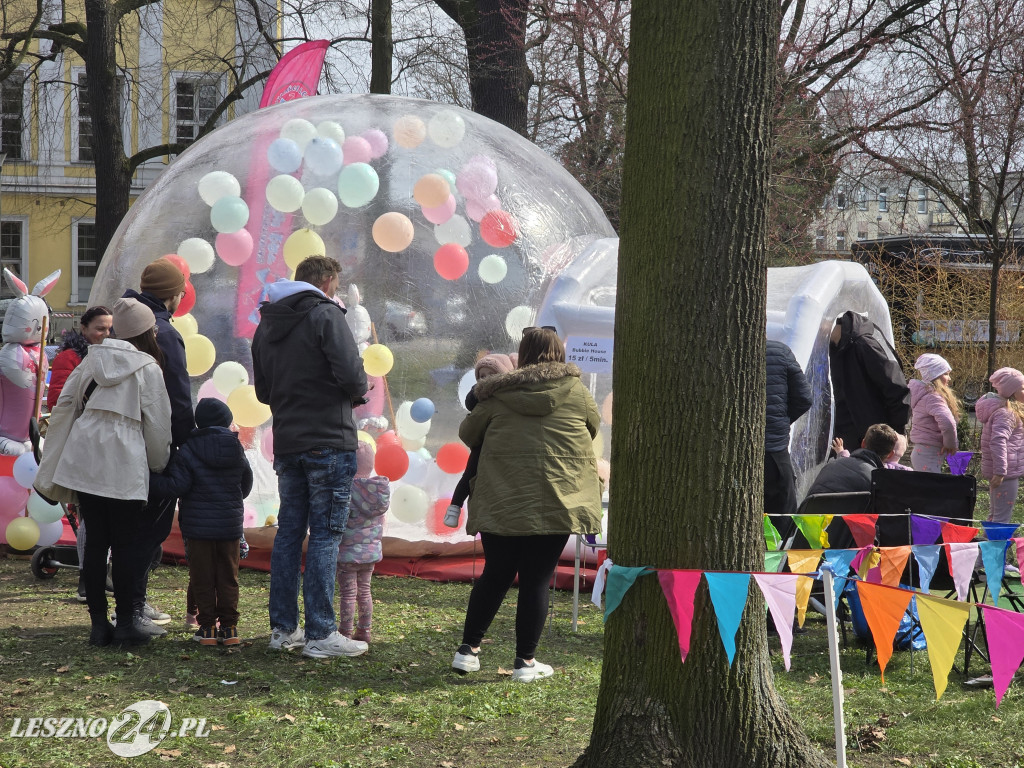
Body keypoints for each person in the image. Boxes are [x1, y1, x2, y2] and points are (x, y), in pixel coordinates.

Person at [452, 327, 602, 682]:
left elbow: (468, 434)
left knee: (496, 574)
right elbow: (592, 428)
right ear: (560, 355)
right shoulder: (578, 393)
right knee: (536, 580)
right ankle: (525, 663)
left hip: (502, 498)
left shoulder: (498, 394)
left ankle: (467, 652)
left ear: (522, 355)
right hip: (559, 499)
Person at [33, 298, 171, 647]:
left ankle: (98, 625)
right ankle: (125, 624)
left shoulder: (91, 360)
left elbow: (65, 405)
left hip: (85, 457)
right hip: (124, 462)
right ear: (145, 333)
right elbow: (157, 427)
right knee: (125, 545)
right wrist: (157, 466)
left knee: (95, 543)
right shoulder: (148, 368)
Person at [252, 255, 369, 659]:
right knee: (324, 534)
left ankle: (283, 629)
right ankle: (321, 633)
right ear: (327, 281)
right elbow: (354, 376)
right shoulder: (326, 315)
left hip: (287, 443)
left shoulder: (267, 323)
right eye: (335, 285)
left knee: (288, 534)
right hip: (329, 440)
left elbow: (263, 392)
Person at [122, 257, 195, 633]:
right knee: (150, 526)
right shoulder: (163, 334)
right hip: (153, 442)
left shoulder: (123, 324)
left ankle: (133, 603)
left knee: (127, 527)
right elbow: (177, 396)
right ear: (170, 296)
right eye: (181, 290)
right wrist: (187, 440)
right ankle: (131, 609)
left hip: (116, 440)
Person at [150, 398, 253, 646]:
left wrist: (149, 480)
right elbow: (246, 483)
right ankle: (229, 629)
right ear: (227, 421)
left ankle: (206, 629)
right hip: (229, 525)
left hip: (197, 528)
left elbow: (178, 485)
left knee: (202, 576)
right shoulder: (236, 447)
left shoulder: (187, 449)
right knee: (228, 576)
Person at [45, 305, 114, 603]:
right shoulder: (68, 358)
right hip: (79, 444)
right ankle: (88, 577)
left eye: (110, 329)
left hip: (106, 443)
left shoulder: (114, 357)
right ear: (83, 329)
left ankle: (102, 573)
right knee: (90, 515)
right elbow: (57, 400)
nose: (105, 334)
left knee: (106, 512)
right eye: (100, 328)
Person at [444, 353, 516, 528]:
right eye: (481, 376)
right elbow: (470, 403)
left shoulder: (511, 395)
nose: (485, 379)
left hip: (505, 446)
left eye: (491, 375)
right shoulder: (478, 395)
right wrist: (480, 392)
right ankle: (454, 507)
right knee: (469, 474)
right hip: (482, 445)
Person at [829, 311, 910, 448]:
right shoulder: (835, 347)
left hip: (871, 437)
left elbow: (895, 386)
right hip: (846, 434)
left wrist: (897, 431)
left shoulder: (863, 344)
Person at [336, 440, 390, 644]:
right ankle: (364, 631)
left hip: (347, 553)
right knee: (365, 591)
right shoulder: (377, 492)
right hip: (370, 552)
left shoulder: (345, 490)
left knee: (348, 593)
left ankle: (345, 632)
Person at [764, 339, 812, 543]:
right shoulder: (780, 351)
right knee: (782, 519)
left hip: (727, 454)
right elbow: (804, 398)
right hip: (774, 452)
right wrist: (780, 423)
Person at [977, 368, 1024, 524]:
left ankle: (984, 546)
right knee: (1001, 518)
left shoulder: (1006, 410)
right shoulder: (1006, 413)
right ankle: (995, 546)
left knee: (995, 514)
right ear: (1011, 392)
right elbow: (998, 441)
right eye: (1022, 388)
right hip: (1005, 474)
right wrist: (1000, 472)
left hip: (1003, 472)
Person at [806, 423, 898, 496]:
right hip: (844, 519)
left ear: (863, 443)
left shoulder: (830, 466)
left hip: (807, 518)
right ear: (890, 454)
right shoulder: (879, 484)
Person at [907, 353, 960, 473]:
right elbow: (947, 422)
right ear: (935, 376)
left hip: (924, 452)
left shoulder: (925, 395)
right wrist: (951, 444)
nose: (949, 378)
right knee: (931, 488)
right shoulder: (932, 397)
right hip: (928, 453)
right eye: (946, 374)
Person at [832, 432, 912, 471]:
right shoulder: (905, 470)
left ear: (889, 454)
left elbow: (849, 463)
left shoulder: (873, 465)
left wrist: (841, 451)